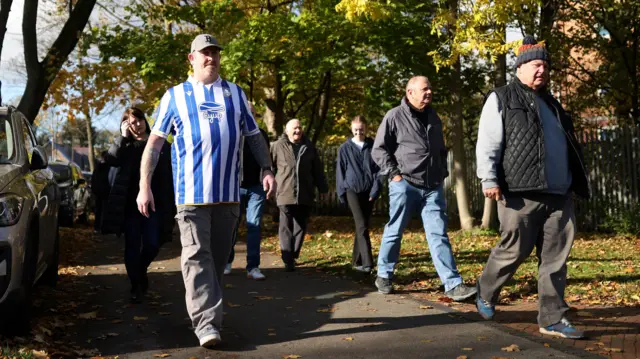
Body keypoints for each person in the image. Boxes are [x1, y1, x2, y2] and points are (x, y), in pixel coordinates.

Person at [136, 34, 276, 349]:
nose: (211, 57)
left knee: (215, 259)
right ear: (192, 58)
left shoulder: (236, 95)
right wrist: (144, 185)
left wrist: (267, 169)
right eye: (205, 53)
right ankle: (207, 324)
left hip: (228, 196)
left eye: (214, 52)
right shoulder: (174, 96)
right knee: (196, 257)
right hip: (190, 197)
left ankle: (207, 309)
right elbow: (155, 145)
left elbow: (254, 137)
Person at [475, 36, 590, 339]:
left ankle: (552, 317)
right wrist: (489, 179)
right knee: (513, 251)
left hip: (559, 193)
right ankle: (486, 291)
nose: (542, 70)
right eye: (537, 65)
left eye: (546, 66)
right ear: (521, 67)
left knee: (555, 260)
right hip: (520, 193)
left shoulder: (553, 104)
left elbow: (569, 147)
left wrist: (575, 182)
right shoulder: (502, 98)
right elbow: (488, 141)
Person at [372, 76, 477, 301]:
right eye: (424, 89)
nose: (429, 92)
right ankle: (384, 274)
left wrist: (441, 174)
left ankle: (453, 284)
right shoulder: (394, 116)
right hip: (405, 183)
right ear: (410, 92)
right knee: (395, 229)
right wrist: (395, 175)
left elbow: (439, 149)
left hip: (432, 187)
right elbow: (379, 150)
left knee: (438, 234)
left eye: (430, 88)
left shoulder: (433, 116)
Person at [101, 107, 174, 303]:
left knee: (152, 242)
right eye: (132, 122)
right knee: (132, 244)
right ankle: (136, 285)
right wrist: (122, 137)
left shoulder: (159, 144)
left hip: (157, 203)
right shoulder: (126, 146)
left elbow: (170, 172)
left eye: (139, 119)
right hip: (130, 205)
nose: (137, 124)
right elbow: (111, 160)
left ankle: (139, 271)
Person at [272, 119, 328, 271]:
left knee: (301, 225)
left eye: (299, 128)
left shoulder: (309, 147)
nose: (298, 131)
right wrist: (269, 184)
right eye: (294, 128)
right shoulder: (277, 146)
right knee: (285, 225)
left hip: (305, 192)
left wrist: (322, 189)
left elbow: (317, 170)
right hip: (284, 191)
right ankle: (287, 257)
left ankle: (294, 253)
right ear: (287, 130)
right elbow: (270, 167)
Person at [224, 103, 270, 280]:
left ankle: (253, 267)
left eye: (252, 113)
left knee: (255, 226)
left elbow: (268, 158)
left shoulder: (261, 135)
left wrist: (268, 174)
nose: (249, 116)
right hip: (234, 187)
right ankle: (227, 261)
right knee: (231, 226)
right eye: (246, 113)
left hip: (256, 187)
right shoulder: (231, 133)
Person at [336, 116, 381, 274]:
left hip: (368, 191)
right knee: (362, 225)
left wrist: (376, 189)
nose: (358, 132)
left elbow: (378, 170)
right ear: (351, 129)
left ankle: (356, 261)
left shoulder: (373, 146)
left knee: (362, 226)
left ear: (366, 128)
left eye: (361, 129)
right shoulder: (345, 148)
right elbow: (340, 172)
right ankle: (369, 263)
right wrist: (341, 192)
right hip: (352, 190)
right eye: (356, 129)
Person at [91, 151, 111, 234]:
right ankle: (104, 227)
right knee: (105, 210)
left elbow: (93, 180)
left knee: (98, 210)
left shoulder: (97, 167)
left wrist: (94, 190)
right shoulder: (109, 167)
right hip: (106, 191)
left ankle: (97, 227)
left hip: (98, 192)